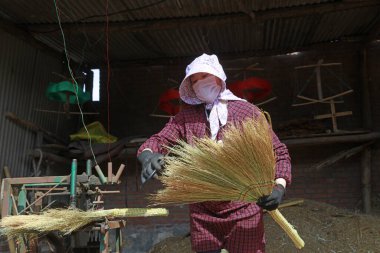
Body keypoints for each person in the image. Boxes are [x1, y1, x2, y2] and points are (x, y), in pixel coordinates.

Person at [137, 53, 291, 253]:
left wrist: (279, 187)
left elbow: (278, 152)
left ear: (218, 77)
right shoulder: (186, 118)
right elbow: (158, 140)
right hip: (203, 211)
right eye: (194, 80)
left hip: (244, 207)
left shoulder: (247, 113)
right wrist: (148, 155)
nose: (200, 83)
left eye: (204, 77)